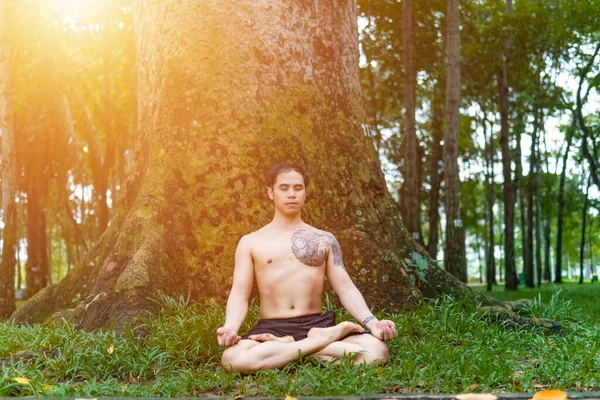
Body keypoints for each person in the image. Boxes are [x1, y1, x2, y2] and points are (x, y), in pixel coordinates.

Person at [217, 163, 397, 374]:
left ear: (305, 193)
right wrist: (230, 328)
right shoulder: (250, 242)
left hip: (317, 324)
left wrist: (373, 323)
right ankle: (319, 346)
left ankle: (285, 348)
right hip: (271, 327)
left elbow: (345, 288)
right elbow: (239, 294)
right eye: (284, 188)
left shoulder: (325, 239)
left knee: (378, 351)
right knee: (232, 359)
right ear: (270, 193)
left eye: (298, 188)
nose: (291, 194)